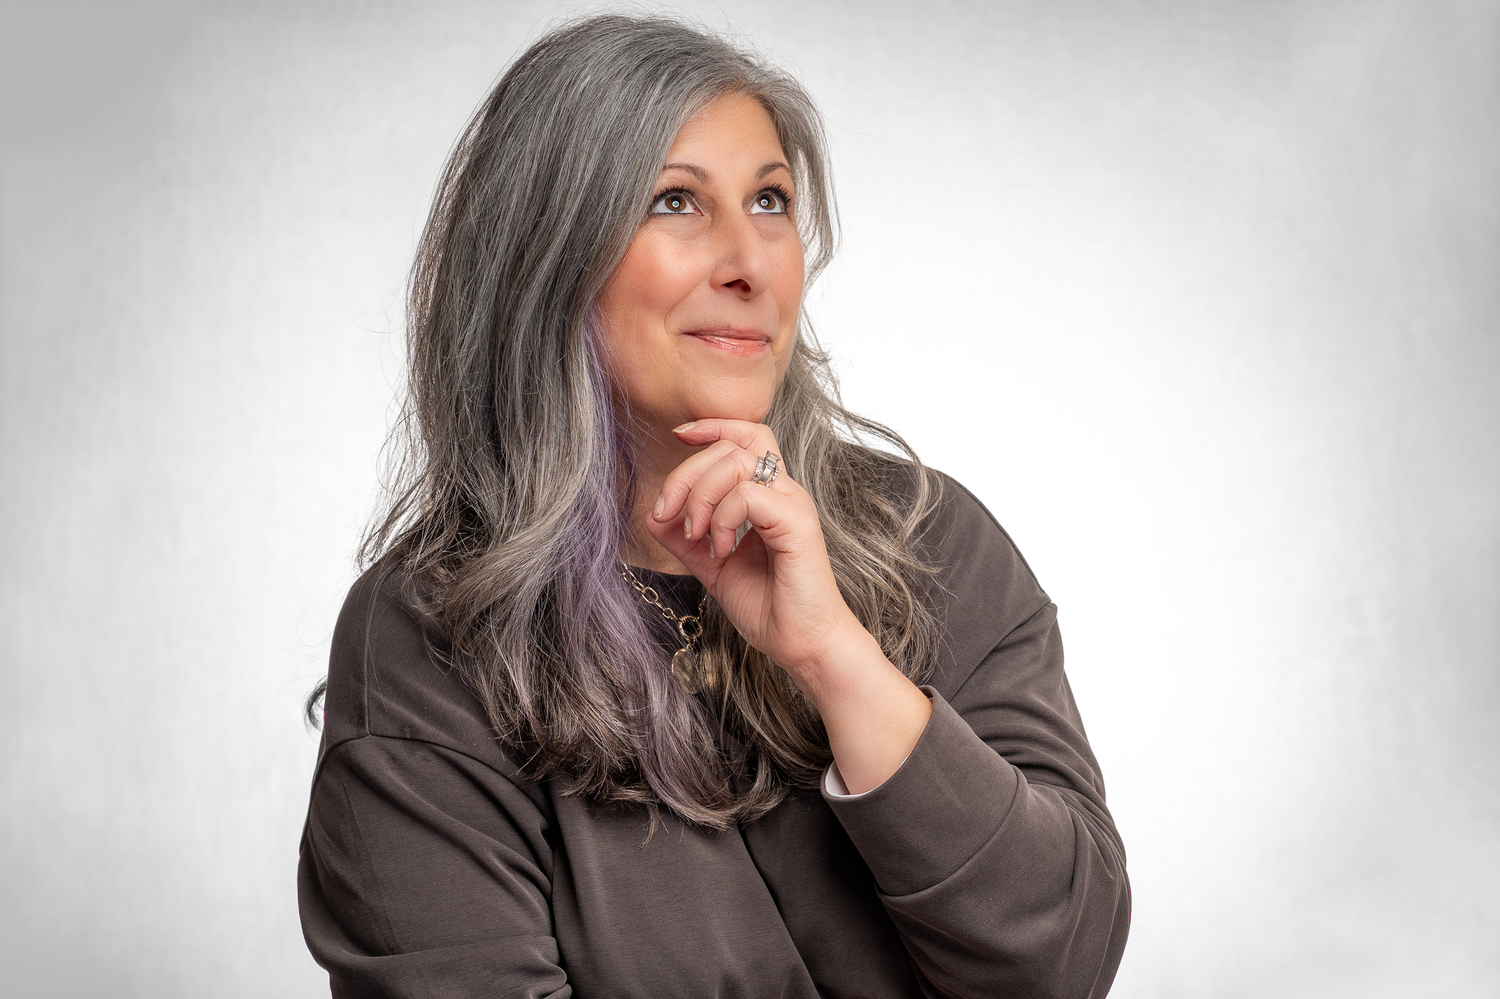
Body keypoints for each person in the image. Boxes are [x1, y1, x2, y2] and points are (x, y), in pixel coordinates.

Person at [298, 13, 1130, 998]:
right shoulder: (428, 637)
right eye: (675, 201)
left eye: (770, 200)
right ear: (548, 255)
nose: (749, 261)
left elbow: (1060, 962)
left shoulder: (932, 537)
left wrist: (835, 656)